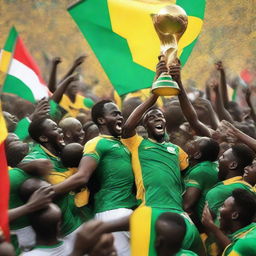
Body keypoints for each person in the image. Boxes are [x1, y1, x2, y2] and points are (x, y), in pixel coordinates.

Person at [53, 100, 137, 256]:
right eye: (114, 113)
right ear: (101, 120)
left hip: (128, 210)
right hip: (112, 211)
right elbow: (82, 176)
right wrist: (50, 192)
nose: (120, 116)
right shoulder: (96, 143)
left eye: (120, 113)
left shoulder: (121, 144)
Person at [205, 144, 255, 219]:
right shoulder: (235, 185)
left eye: (223, 156)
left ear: (233, 165)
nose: (219, 158)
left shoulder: (222, 191)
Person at [202, 189, 256, 256]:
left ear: (234, 215)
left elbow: (231, 251)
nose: (219, 209)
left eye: (223, 206)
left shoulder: (243, 244)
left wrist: (212, 227)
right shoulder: (252, 228)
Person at [183, 137, 220, 229]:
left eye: (193, 143)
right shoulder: (212, 166)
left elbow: (186, 205)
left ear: (197, 155)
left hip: (204, 228)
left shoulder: (200, 171)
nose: (189, 142)